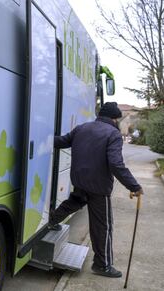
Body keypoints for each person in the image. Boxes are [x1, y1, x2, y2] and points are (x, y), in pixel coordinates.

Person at [48, 102, 143, 278]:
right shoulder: (113, 134)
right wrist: (134, 186)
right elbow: (116, 164)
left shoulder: (82, 128)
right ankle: (102, 265)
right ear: (114, 119)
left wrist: (40, 136)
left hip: (80, 180)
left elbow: (60, 142)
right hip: (98, 187)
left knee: (76, 200)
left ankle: (52, 219)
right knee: (103, 226)